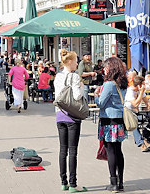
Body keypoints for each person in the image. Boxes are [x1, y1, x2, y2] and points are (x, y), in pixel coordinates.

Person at [54, 49, 87, 192]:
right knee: (73, 151)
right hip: (72, 116)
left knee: (63, 150)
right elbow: (77, 96)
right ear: (69, 62)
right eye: (76, 61)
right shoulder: (74, 77)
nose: (77, 63)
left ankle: (63, 182)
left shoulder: (57, 76)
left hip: (59, 115)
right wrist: (81, 86)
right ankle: (73, 184)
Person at [94, 57, 128, 192]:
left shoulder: (109, 84)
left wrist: (96, 95)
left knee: (111, 151)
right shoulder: (122, 83)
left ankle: (113, 182)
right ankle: (120, 182)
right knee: (118, 150)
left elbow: (101, 103)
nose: (104, 69)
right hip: (119, 120)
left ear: (111, 68)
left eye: (106, 67)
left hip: (109, 120)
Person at [124, 76, 150, 152]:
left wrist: (149, 106)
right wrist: (141, 92)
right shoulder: (130, 91)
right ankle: (141, 143)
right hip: (128, 112)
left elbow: (146, 101)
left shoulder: (140, 91)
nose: (144, 86)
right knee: (134, 122)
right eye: (143, 84)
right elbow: (135, 104)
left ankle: (145, 138)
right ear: (139, 85)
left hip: (136, 112)